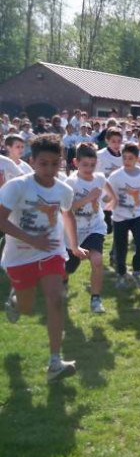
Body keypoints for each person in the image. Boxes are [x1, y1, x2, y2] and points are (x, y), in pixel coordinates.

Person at [0, 134, 85, 382]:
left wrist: (74, 245)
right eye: (43, 163)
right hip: (19, 257)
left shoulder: (64, 190)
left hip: (51, 251)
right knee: (27, 308)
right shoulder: (17, 186)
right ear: (32, 161)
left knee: (56, 299)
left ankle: (55, 363)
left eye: (54, 163)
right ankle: (15, 301)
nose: (49, 169)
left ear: (62, 163)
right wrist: (32, 239)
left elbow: (68, 215)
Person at [64, 144, 112, 312]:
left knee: (97, 260)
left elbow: (110, 196)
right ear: (76, 162)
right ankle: (62, 281)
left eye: (92, 165)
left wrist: (103, 202)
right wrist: (88, 198)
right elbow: (67, 210)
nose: (89, 169)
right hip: (73, 231)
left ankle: (95, 299)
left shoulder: (99, 178)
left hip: (94, 227)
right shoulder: (70, 182)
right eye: (85, 165)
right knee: (69, 268)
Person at [108, 143, 140, 288]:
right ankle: (121, 273)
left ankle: (137, 270)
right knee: (121, 247)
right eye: (124, 158)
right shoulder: (116, 176)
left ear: (137, 159)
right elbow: (107, 194)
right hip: (120, 217)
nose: (126, 161)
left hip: (138, 215)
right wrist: (110, 200)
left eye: (130, 158)